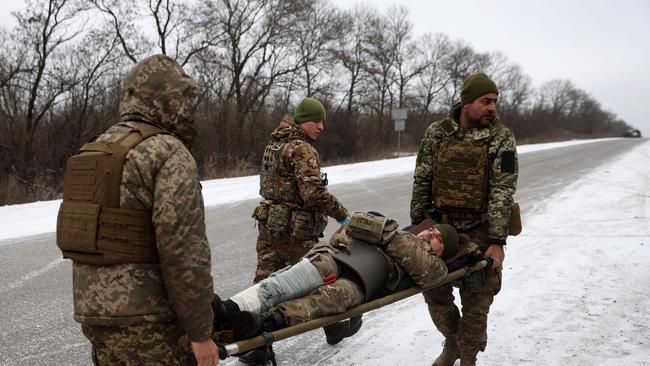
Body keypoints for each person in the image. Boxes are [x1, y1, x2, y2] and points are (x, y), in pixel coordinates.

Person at [56, 55, 218, 366]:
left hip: (94, 315)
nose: (189, 108)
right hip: (149, 322)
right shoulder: (169, 153)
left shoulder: (94, 148)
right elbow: (183, 252)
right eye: (184, 98)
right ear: (167, 99)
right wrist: (200, 333)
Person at [213, 212, 466, 348]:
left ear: (442, 252)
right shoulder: (398, 232)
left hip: (361, 285)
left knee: (328, 300)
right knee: (283, 283)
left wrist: (385, 235)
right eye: (431, 231)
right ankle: (229, 309)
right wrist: (396, 238)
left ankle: (265, 323)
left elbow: (429, 272)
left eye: (438, 240)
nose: (429, 236)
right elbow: (351, 225)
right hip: (339, 258)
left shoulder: (433, 265)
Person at [410, 72, 519, 366]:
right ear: (467, 102)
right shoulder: (437, 133)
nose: (492, 108)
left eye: (495, 102)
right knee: (434, 292)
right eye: (486, 101)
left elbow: (502, 190)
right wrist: (418, 226)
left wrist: (497, 240)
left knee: (476, 304)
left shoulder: (501, 138)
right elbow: (422, 179)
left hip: (481, 231)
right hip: (440, 230)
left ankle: (468, 357)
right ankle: (453, 344)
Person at [252, 97, 349, 283]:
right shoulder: (303, 149)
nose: (321, 126)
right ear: (302, 121)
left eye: (322, 121)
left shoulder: (274, 144)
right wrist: (342, 215)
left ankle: (251, 312)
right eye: (316, 121)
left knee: (264, 286)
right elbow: (314, 194)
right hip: (296, 237)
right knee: (310, 285)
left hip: (269, 231)